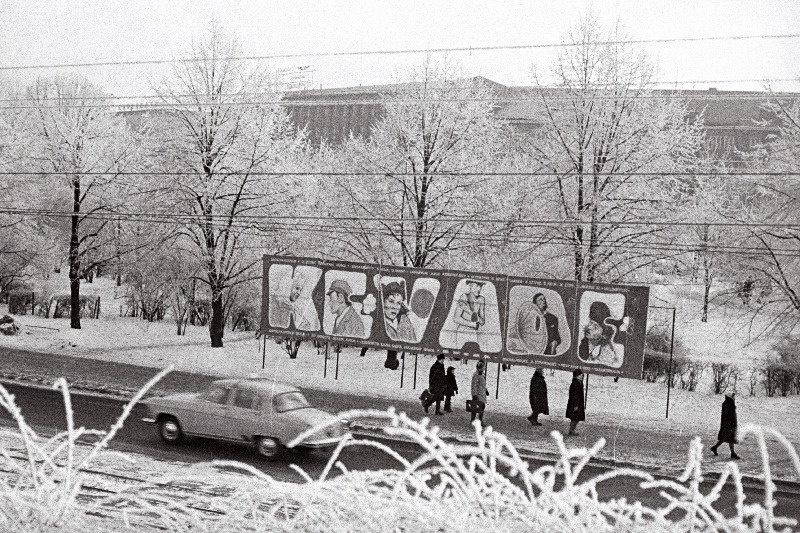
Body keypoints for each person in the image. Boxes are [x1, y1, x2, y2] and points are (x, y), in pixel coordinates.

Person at [453, 280, 486, 348]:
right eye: (477, 286)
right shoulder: (464, 297)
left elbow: (482, 322)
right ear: (470, 286)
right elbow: (456, 318)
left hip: (474, 332)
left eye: (481, 286)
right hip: (462, 331)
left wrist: (469, 311)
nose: (479, 289)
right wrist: (472, 324)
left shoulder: (481, 299)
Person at [710, 392, 741, 460]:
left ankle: (715, 447)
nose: (734, 399)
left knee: (725, 438)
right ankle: (732, 453)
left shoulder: (728, 404)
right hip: (729, 425)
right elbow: (729, 416)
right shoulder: (728, 405)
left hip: (728, 424)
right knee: (730, 438)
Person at [565, 368, 585, 436]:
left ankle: (572, 430)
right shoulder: (575, 384)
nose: (582, 376)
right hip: (575, 404)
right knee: (574, 418)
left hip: (578, 403)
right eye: (580, 375)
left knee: (577, 417)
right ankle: (571, 430)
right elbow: (574, 396)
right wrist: (576, 405)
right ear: (577, 376)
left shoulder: (579, 383)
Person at [470, 360, 489, 424]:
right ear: (480, 368)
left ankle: (480, 420)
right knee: (476, 407)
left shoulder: (482, 374)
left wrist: (486, 390)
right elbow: (474, 385)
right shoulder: (476, 375)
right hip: (478, 394)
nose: (484, 368)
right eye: (483, 367)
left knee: (482, 407)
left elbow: (483, 384)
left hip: (482, 393)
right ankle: (474, 420)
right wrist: (474, 395)